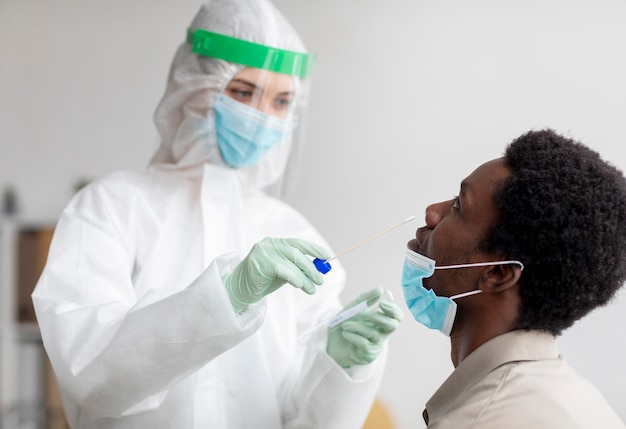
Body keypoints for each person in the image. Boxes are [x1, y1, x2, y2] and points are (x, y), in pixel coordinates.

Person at [31, 1, 403, 428]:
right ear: (194, 84)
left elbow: (307, 419)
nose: (262, 115)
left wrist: (340, 367)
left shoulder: (292, 230)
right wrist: (224, 299)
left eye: (282, 101)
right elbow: (91, 374)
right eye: (243, 92)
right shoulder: (110, 208)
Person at [401, 129, 626, 428]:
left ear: (498, 273)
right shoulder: (582, 401)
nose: (432, 213)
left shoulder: (481, 420)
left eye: (458, 206)